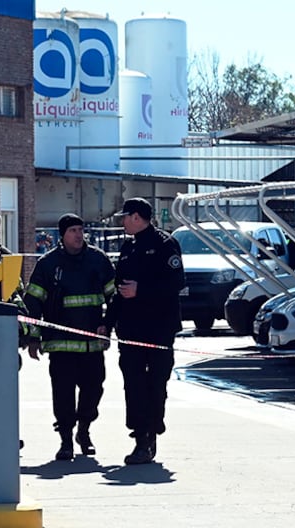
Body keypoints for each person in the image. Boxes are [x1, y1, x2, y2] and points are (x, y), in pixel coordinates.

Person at [24, 213, 117, 460]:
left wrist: (108, 325)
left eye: (80, 230)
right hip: (60, 345)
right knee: (63, 394)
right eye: (73, 231)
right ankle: (66, 439)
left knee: (93, 390)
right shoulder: (47, 264)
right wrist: (34, 337)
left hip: (92, 346)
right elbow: (32, 302)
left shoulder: (98, 260)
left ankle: (84, 431)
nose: (78, 235)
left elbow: (114, 297)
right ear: (62, 235)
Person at [105, 197, 185, 465]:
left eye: (125, 217)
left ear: (137, 217)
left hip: (159, 329)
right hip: (131, 329)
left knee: (156, 383)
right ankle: (141, 437)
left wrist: (142, 290)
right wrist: (108, 321)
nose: (123, 222)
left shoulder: (164, 244)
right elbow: (119, 290)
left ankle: (152, 431)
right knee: (134, 385)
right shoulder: (128, 247)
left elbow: (176, 282)